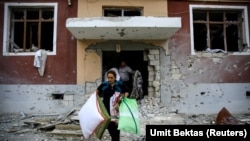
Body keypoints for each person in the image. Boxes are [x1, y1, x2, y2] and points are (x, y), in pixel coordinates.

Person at [96, 70, 129, 141]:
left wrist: (123, 99)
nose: (110, 79)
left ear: (115, 77)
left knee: (116, 128)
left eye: (111, 78)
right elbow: (97, 91)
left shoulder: (120, 84)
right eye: (108, 78)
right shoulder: (104, 84)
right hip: (106, 110)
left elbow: (126, 92)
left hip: (116, 109)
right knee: (110, 127)